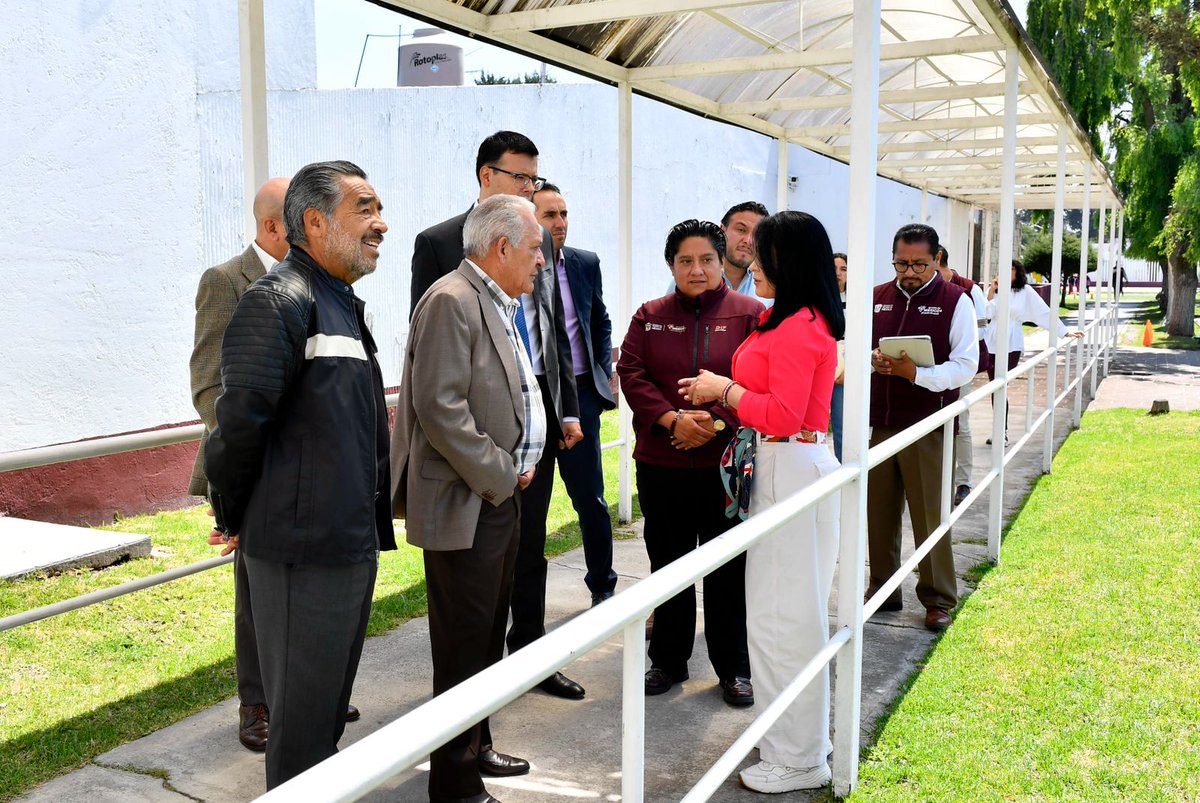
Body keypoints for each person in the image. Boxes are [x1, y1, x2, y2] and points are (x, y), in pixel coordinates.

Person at [205, 160, 395, 788]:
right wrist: (234, 514)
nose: (381, 224)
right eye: (364, 209)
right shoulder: (278, 300)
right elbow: (238, 426)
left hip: (345, 546)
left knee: (325, 719)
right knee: (302, 728)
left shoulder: (339, 302)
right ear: (314, 222)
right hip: (300, 554)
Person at [410, 131, 585, 701]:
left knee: (525, 551)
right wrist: (496, 467)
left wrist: (565, 409)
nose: (531, 189)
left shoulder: (535, 240)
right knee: (472, 604)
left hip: (533, 427)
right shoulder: (444, 255)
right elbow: (439, 380)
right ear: (487, 176)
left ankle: (528, 659)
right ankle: (467, 729)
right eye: (520, 179)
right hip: (481, 447)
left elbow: (554, 333)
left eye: (535, 179)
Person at [681, 210, 844, 793]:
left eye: (760, 248)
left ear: (785, 259)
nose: (748, 255)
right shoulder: (788, 317)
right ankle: (791, 742)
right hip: (780, 467)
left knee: (785, 621)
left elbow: (785, 414)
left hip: (792, 466)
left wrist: (722, 389)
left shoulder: (801, 324)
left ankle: (800, 755)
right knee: (774, 618)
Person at [393, 194, 547, 803]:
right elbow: (440, 407)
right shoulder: (451, 300)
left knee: (486, 635)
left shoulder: (493, 298)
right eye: (535, 247)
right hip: (472, 501)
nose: (542, 259)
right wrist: (502, 473)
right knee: (461, 645)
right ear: (502, 246)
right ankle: (453, 784)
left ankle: (475, 747)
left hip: (498, 499)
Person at [616, 219, 762, 704]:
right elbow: (631, 371)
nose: (695, 270)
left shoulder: (750, 314)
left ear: (723, 263)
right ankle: (667, 662)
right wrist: (669, 419)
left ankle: (734, 669)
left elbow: (758, 378)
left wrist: (713, 422)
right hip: (662, 463)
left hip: (725, 466)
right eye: (685, 261)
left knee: (727, 570)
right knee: (668, 563)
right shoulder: (649, 315)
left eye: (705, 260)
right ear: (671, 265)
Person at [189, 177, 287, 752]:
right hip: (250, 464)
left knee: (298, 581)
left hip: (303, 467)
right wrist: (254, 444)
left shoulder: (315, 281)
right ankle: (256, 704)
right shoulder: (226, 281)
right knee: (255, 593)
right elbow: (208, 386)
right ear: (274, 225)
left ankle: (297, 688)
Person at [867, 224, 978, 633]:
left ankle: (937, 598)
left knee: (929, 514)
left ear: (937, 260)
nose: (909, 272)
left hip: (929, 423)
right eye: (901, 263)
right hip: (881, 420)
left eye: (918, 263)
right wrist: (874, 361)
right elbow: (857, 345)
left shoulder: (955, 300)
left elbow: (967, 365)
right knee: (878, 512)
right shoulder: (876, 297)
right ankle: (883, 588)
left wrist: (916, 374)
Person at [532, 183, 619, 606]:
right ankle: (522, 601)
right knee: (530, 506)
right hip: (533, 399)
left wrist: (600, 373)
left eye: (563, 213)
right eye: (550, 215)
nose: (560, 223)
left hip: (582, 395)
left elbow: (599, 319)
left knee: (591, 498)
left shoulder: (585, 263)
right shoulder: (517, 267)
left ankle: (603, 585)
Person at [983, 259, 1083, 442]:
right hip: (991, 343)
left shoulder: (1025, 292)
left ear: (1018, 272)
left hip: (1011, 344)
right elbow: (986, 314)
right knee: (993, 388)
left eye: (1011, 269)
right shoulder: (996, 291)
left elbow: (1043, 312)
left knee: (1001, 386)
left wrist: (1065, 331)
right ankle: (997, 431)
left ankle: (1001, 433)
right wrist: (990, 290)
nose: (1006, 273)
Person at [933, 246, 988, 506]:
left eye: (921, 262)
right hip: (927, 369)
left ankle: (963, 481)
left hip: (958, 368)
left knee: (960, 423)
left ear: (938, 258)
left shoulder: (969, 289)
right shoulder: (925, 289)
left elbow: (980, 333)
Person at [663, 201, 771, 304]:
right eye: (741, 230)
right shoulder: (694, 278)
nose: (748, 240)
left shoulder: (769, 287)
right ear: (722, 231)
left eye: (757, 234)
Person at [830, 252, 848, 462]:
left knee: (841, 425)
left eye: (843, 269)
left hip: (844, 370)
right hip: (821, 365)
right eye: (834, 268)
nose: (838, 274)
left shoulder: (858, 302)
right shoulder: (818, 300)